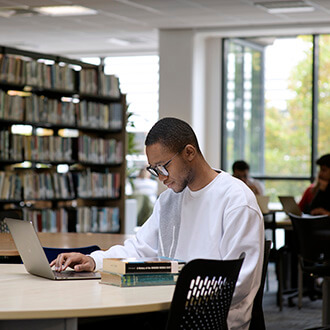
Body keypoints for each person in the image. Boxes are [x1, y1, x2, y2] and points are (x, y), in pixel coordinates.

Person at [51, 117, 264, 329]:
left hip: (212, 320)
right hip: (167, 309)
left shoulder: (236, 201)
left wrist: (178, 296)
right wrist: (94, 260)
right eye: (154, 170)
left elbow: (238, 282)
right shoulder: (169, 200)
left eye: (163, 167)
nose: (160, 178)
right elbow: (140, 249)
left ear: (189, 153)